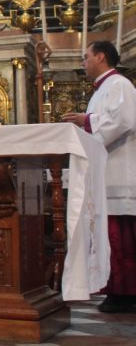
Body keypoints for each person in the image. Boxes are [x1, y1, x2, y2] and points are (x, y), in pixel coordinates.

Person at [61, 41, 136, 312]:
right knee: (110, 236)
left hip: (119, 172)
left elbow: (125, 121)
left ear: (101, 57)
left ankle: (126, 293)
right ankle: (116, 289)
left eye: (86, 57)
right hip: (107, 171)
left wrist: (87, 121)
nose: (84, 62)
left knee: (120, 237)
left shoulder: (119, 85)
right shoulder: (104, 89)